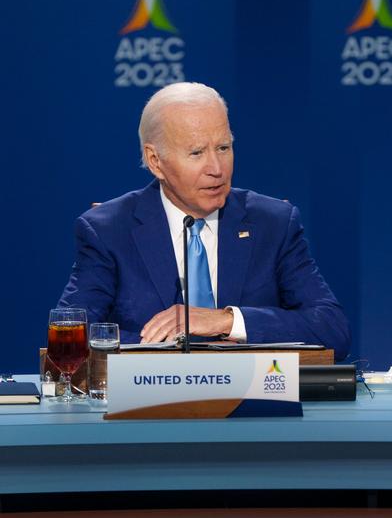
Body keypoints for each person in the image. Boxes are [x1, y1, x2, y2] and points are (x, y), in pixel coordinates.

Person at [58, 82, 351, 357]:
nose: (216, 168)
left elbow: (332, 329)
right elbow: (71, 339)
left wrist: (225, 321)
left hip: (253, 404)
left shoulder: (273, 223)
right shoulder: (109, 231)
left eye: (223, 148)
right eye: (196, 152)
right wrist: (170, 349)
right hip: (150, 406)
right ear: (155, 160)